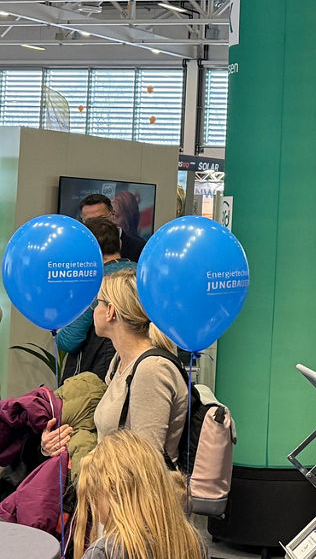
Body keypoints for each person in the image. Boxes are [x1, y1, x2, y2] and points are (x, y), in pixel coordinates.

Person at [42, 269, 186, 461]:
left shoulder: (152, 370)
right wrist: (57, 444)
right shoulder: (120, 361)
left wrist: (87, 466)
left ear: (111, 312)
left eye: (98, 303)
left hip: (132, 490)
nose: (94, 309)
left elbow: (147, 464)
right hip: (111, 488)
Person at [70, 430, 207, 559]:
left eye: (94, 496)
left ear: (112, 490)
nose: (95, 509)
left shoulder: (103, 552)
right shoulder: (194, 542)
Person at [58, 217, 136, 383]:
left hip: (99, 378)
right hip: (139, 370)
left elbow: (69, 341)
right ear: (119, 245)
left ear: (87, 250)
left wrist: (59, 330)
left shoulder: (93, 284)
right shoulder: (142, 276)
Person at [79, 194, 145, 263]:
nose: (96, 224)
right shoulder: (78, 249)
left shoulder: (141, 248)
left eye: (101, 219)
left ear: (113, 215)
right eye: (90, 221)